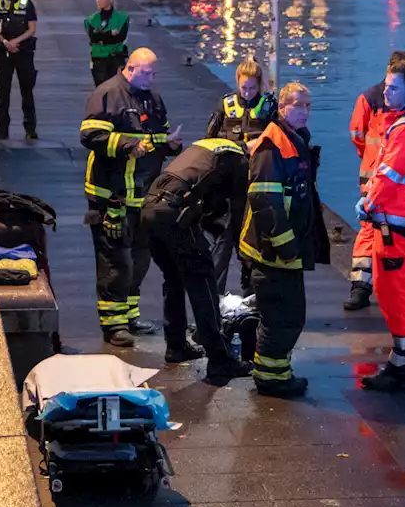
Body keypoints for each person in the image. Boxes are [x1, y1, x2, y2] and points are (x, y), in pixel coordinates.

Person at [80, 48, 182, 347]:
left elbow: (158, 137)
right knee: (114, 258)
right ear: (132, 68)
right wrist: (128, 145)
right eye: (148, 73)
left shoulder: (152, 98)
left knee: (140, 257)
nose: (153, 78)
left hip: (143, 193)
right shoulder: (107, 94)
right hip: (111, 195)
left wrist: (171, 144)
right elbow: (89, 135)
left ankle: (129, 314)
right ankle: (113, 325)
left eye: (154, 73)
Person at [141, 139, 256, 380]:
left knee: (173, 279)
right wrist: (245, 257)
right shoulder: (238, 160)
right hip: (174, 212)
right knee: (203, 283)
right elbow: (236, 212)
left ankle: (176, 346)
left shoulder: (208, 146)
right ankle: (220, 361)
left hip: (150, 207)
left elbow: (203, 192)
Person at [357, 57, 405, 392]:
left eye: (393, 87)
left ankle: (403, 364)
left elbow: (389, 173)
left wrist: (368, 203)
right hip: (399, 223)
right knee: (396, 289)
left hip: (395, 225)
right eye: (386, 85)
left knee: (394, 291)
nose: (386, 92)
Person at [238, 82, 315, 398]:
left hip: (285, 249)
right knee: (282, 315)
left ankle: (277, 372)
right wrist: (285, 245)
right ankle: (270, 378)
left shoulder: (294, 141)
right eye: (299, 105)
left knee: (288, 314)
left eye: (309, 106)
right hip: (273, 250)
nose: (305, 111)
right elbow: (265, 202)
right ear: (282, 107)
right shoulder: (272, 145)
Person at [345, 50, 405, 310]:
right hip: (389, 178)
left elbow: (357, 133)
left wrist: (368, 156)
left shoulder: (368, 97)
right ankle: (370, 286)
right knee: (379, 233)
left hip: (378, 172)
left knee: (372, 232)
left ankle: (363, 285)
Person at [204, 58, 278, 294]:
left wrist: (262, 141)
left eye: (252, 88)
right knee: (222, 242)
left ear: (260, 85)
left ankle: (251, 297)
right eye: (243, 88)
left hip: (254, 183)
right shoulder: (225, 105)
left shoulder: (269, 106)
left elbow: (282, 139)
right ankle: (214, 299)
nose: (247, 93)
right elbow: (209, 139)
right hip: (226, 185)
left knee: (251, 243)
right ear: (237, 83)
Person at [0, 0, 39, 140]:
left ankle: (30, 128)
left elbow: (32, 28)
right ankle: (2, 128)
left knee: (27, 90)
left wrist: (15, 42)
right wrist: (5, 42)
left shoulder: (26, 3)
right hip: (3, 52)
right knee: (3, 91)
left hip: (23, 51)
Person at [85, 0, 130, 87]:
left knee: (117, 90)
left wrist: (102, 36)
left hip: (116, 59)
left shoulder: (122, 18)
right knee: (101, 91)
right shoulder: (91, 19)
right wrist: (111, 33)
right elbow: (93, 38)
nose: (98, 0)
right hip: (98, 59)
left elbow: (120, 37)